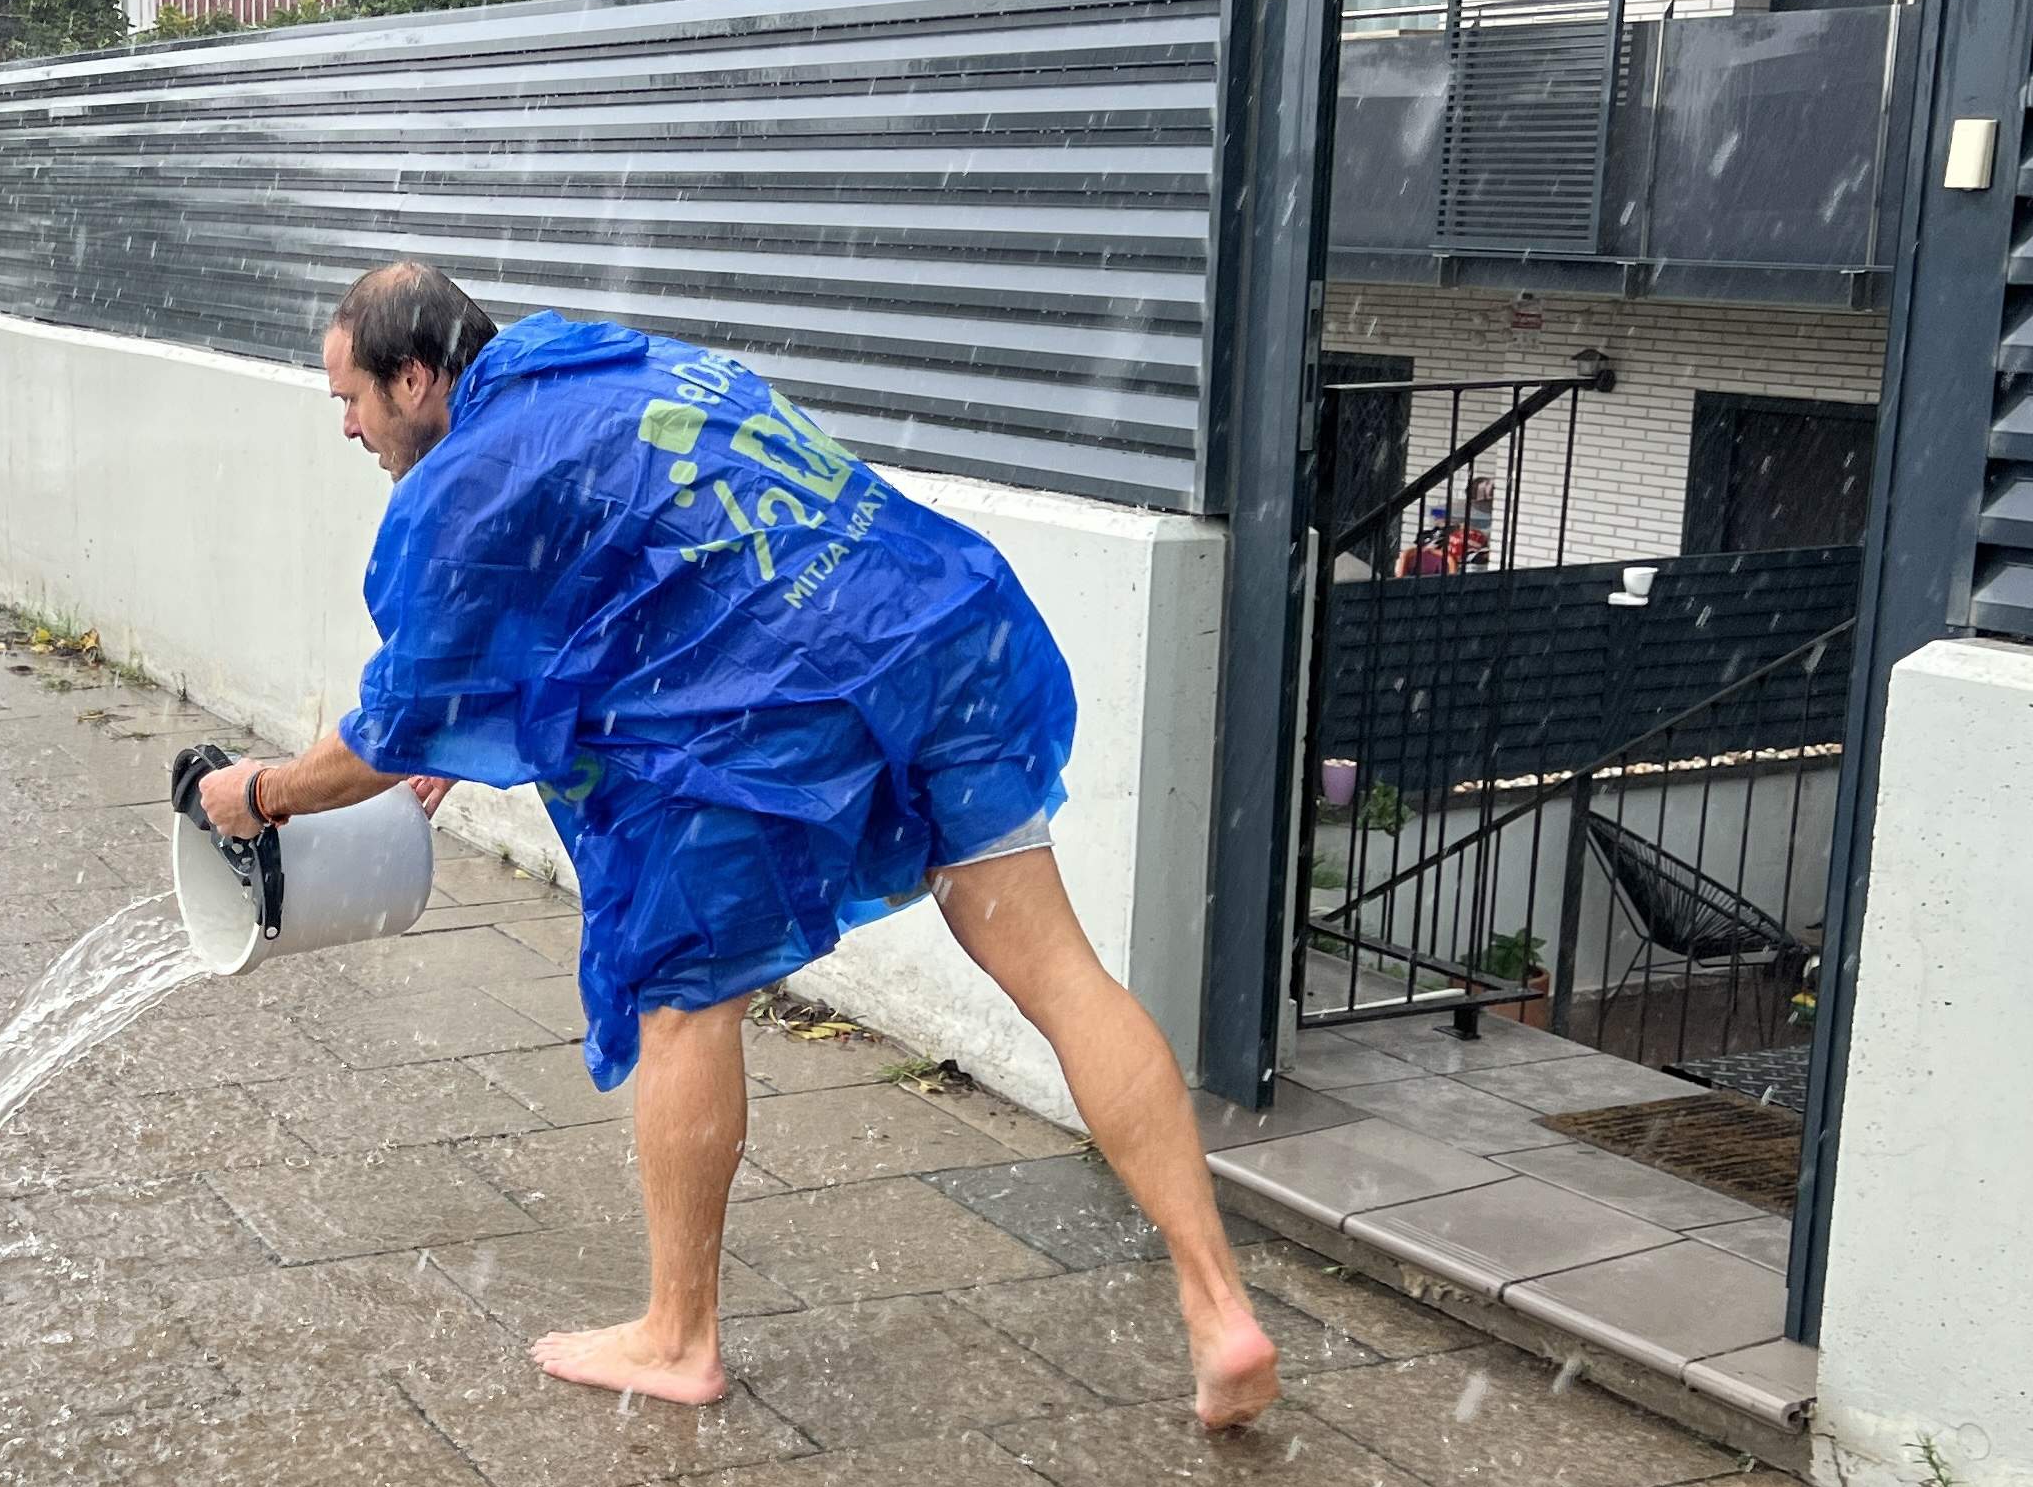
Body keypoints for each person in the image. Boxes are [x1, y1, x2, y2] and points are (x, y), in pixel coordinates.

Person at [198, 262, 1282, 1428]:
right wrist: (460, 735)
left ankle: (679, 1336)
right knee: (1062, 978)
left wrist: (259, 795)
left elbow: (383, 726)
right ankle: (1221, 1312)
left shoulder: (469, 478)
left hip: (789, 692)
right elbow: (615, 565)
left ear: (415, 376)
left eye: (351, 399)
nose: (351, 427)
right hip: (934, 622)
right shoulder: (594, 359)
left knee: (681, 999)